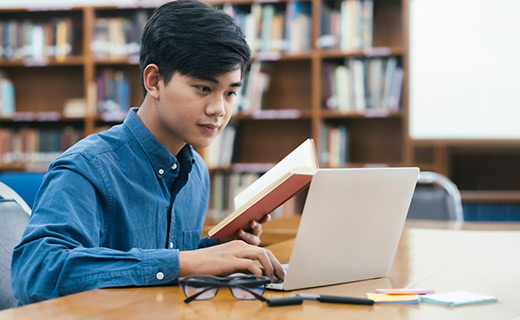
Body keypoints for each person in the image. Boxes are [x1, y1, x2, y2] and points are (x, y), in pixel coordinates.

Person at [11, 0, 285, 305]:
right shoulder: (87, 167)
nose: (219, 110)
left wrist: (216, 249)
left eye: (231, 93)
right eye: (204, 89)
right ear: (154, 81)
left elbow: (160, 263)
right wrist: (185, 263)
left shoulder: (195, 173)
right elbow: (36, 273)